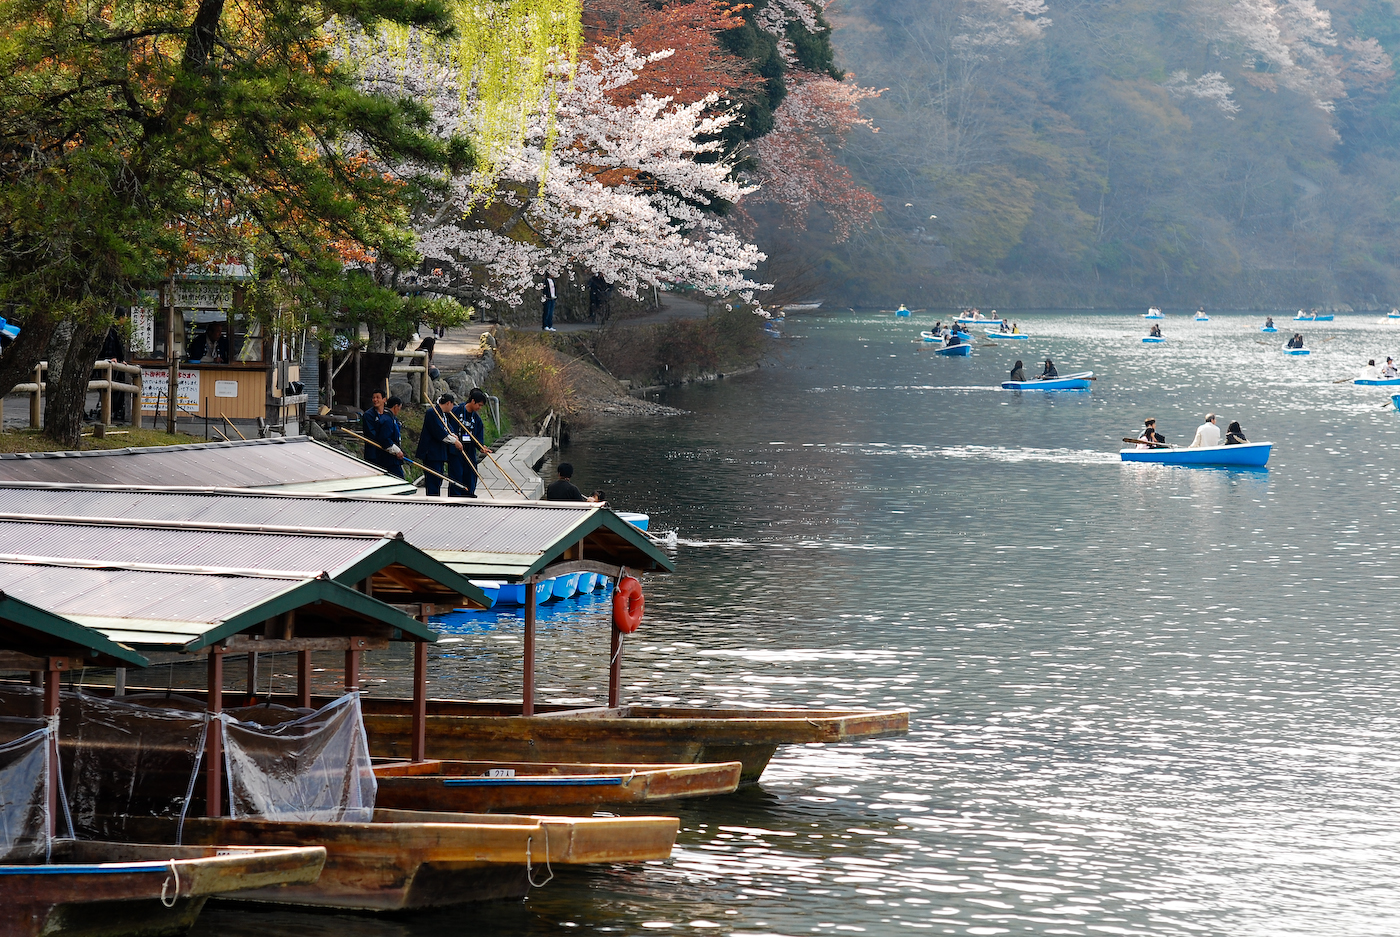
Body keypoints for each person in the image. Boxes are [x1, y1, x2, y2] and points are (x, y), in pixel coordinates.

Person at [416, 393, 468, 497]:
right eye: (452, 405)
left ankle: (436, 500)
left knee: (438, 480)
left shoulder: (442, 414)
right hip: (431, 453)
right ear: (448, 403)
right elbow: (440, 433)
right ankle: (433, 502)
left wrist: (454, 435)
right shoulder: (432, 413)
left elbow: (448, 429)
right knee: (433, 481)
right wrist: (455, 442)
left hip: (439, 453)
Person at [450, 388, 494, 498]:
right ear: (473, 401)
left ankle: (469, 495)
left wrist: (481, 447)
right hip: (456, 450)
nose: (479, 408)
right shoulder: (456, 411)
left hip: (469, 450)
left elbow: (478, 437)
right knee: (457, 473)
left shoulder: (477, 419)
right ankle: (456, 496)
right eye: (479, 405)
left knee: (471, 473)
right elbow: (449, 428)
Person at [361, 392, 405, 477]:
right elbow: (381, 437)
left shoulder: (390, 418)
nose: (375, 400)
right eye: (374, 397)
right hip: (377, 453)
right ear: (396, 407)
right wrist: (395, 449)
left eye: (378, 397)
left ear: (384, 400)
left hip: (387, 454)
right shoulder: (383, 419)